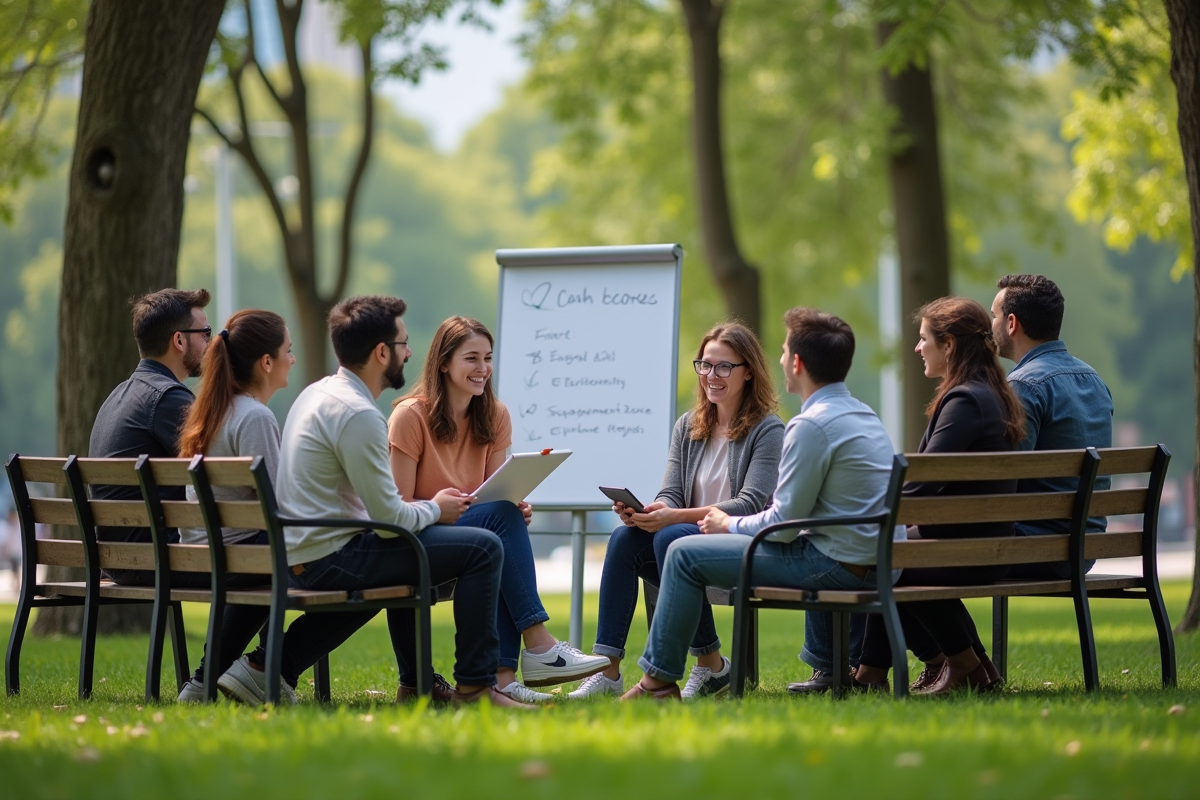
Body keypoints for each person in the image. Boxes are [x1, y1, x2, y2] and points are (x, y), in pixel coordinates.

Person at [215, 296, 528, 708]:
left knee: (410, 557)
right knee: (481, 548)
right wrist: (436, 507)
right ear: (383, 353)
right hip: (327, 552)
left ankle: (264, 669)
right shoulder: (357, 413)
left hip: (306, 549)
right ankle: (475, 688)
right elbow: (388, 520)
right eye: (403, 344)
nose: (410, 353)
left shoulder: (320, 392)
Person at [620, 308, 898, 701]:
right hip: (878, 561)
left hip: (838, 565)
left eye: (784, 351)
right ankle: (670, 678)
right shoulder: (863, 414)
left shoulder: (810, 424)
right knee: (676, 545)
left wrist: (726, 524)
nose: (781, 359)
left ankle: (657, 684)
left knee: (683, 553)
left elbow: (784, 525)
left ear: (798, 363)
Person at [388, 316, 610, 703]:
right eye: (471, 358)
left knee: (504, 520)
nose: (483, 369)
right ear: (444, 363)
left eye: (488, 358)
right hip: (420, 537)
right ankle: (538, 645)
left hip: (473, 538)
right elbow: (399, 506)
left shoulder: (494, 415)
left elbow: (494, 496)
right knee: (499, 523)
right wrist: (463, 510)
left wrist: (512, 504)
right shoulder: (410, 416)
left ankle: (503, 679)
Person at [571, 321, 784, 700]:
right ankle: (608, 669)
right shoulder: (688, 426)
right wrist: (652, 512)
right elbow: (671, 491)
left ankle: (709, 665)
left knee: (670, 536)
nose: (711, 375)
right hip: (683, 540)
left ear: (748, 371)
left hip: (741, 543)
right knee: (625, 537)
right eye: (704, 365)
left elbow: (750, 503)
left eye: (724, 367)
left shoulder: (768, 430)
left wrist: (671, 519)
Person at [853, 297, 1026, 695]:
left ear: (949, 345)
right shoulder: (991, 394)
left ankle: (947, 665)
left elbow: (918, 487)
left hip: (967, 549)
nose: (917, 347)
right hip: (987, 543)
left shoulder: (965, 400)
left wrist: (863, 509)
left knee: (884, 559)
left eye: (923, 338)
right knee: (889, 551)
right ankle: (976, 667)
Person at [169, 310, 295, 703]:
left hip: (203, 550)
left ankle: (205, 682)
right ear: (267, 362)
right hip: (237, 555)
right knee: (307, 555)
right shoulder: (255, 417)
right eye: (289, 351)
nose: (293, 359)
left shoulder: (209, 411)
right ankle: (249, 671)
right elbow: (279, 509)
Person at [990, 274, 1114, 580]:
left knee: (903, 557)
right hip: (1085, 547)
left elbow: (1004, 480)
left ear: (1011, 323)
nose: (989, 324)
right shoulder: (1094, 380)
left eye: (994, 315)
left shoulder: (1022, 386)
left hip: (1038, 547)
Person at [88, 288, 211, 585]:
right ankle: (235, 636)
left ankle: (228, 636)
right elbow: (218, 473)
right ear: (179, 340)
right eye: (205, 333)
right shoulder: (168, 398)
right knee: (266, 558)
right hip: (153, 558)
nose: (211, 343)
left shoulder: (119, 395)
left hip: (117, 558)